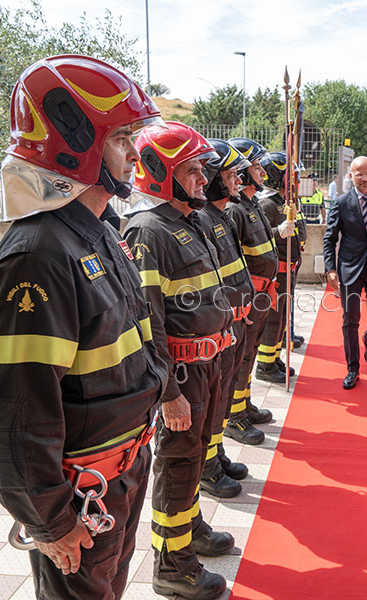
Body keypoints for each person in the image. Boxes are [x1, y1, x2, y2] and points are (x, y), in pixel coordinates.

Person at [0, 55, 166, 600]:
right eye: (122, 138)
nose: (136, 153)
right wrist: (51, 519)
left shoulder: (98, 232)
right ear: (74, 141)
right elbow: (19, 409)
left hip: (120, 475)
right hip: (82, 496)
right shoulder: (37, 256)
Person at [124, 121, 234, 600]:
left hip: (208, 365)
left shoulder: (189, 221)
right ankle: (172, 564)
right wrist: (168, 393)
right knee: (177, 462)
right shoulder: (148, 230)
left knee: (194, 458)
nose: (202, 179)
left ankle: (190, 529)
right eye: (190, 170)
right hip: (182, 375)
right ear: (160, 173)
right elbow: (147, 320)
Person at [192, 138, 256, 500]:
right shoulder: (204, 219)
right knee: (213, 404)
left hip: (235, 322)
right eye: (231, 174)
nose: (238, 180)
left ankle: (215, 453)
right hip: (222, 328)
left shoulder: (222, 216)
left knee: (223, 396)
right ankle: (208, 467)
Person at [322, 156, 367, 389]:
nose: (364, 178)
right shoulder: (342, 203)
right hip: (349, 268)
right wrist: (330, 269)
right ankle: (352, 368)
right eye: (359, 174)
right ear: (351, 176)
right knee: (350, 319)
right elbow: (329, 238)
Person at [225, 137, 278, 445]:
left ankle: (243, 404)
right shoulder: (235, 211)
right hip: (248, 299)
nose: (263, 173)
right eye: (257, 167)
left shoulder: (252, 204)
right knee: (242, 357)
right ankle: (234, 417)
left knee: (251, 354)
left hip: (261, 295)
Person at [255, 152, 304, 386]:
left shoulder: (285, 203)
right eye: (291, 177)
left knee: (282, 318)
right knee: (273, 319)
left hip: (288, 272)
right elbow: (260, 237)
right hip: (277, 274)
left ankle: (274, 359)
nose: (296, 181)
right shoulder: (267, 204)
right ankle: (264, 365)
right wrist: (278, 231)